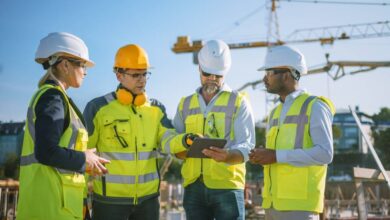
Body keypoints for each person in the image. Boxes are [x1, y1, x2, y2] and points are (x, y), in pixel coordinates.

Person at [83, 44, 191, 220]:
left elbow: (167, 139)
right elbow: (83, 152)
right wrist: (81, 198)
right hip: (109, 203)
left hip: (148, 202)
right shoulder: (98, 108)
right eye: (135, 75)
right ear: (119, 75)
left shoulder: (156, 109)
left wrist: (186, 140)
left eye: (144, 74)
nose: (142, 80)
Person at [17, 32, 110, 220]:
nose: (85, 71)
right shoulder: (53, 98)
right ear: (65, 65)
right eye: (82, 65)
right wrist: (84, 158)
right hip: (52, 207)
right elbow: (46, 151)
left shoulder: (56, 98)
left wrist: (86, 159)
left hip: (61, 204)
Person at [249, 45, 336, 220]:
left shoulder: (315, 106)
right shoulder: (274, 113)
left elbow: (325, 154)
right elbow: (276, 155)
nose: (264, 78)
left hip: (300, 208)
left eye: (269, 73)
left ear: (287, 74)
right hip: (272, 205)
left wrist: (275, 156)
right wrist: (262, 156)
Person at [172, 40, 256, 220]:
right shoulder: (185, 104)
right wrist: (182, 150)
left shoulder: (239, 102)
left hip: (227, 187)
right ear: (199, 69)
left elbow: (248, 146)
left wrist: (228, 156)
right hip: (194, 187)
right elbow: (172, 140)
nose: (212, 79)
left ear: (225, 73)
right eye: (207, 74)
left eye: (217, 76)